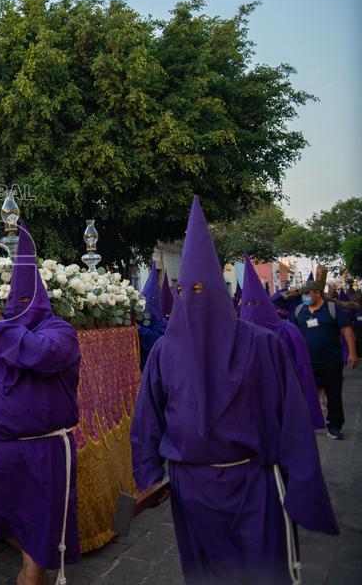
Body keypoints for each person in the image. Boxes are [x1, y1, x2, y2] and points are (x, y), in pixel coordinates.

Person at [131, 197, 339, 583]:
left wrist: (303, 484)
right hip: (189, 489)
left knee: (262, 573)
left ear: (219, 292)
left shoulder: (263, 345)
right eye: (184, 291)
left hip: (251, 486)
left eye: (202, 288)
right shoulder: (165, 350)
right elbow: (148, 417)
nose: (194, 297)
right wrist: (147, 474)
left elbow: (291, 417)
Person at [0, 223, 81, 585]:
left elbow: (42, 354)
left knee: (39, 526)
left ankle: (31, 575)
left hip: (43, 452)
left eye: (25, 302)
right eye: (13, 303)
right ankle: (28, 568)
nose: (16, 309)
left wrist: (0, 331)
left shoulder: (60, 332)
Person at [239, 253, 325, 430]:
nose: (252, 311)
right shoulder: (236, 334)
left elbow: (302, 369)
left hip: (284, 400)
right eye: (247, 304)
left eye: (256, 303)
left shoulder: (288, 330)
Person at [292, 279, 359, 440]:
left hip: (331, 361)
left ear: (317, 293)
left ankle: (334, 426)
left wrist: (352, 353)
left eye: (307, 293)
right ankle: (307, 424)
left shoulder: (332, 309)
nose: (304, 296)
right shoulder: (299, 311)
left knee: (333, 395)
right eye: (303, 293)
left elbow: (347, 331)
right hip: (307, 362)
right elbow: (293, 334)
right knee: (305, 394)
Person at [137, 261, 167, 369]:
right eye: (145, 298)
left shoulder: (163, 323)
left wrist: (140, 330)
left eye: (152, 299)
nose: (148, 302)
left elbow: (157, 341)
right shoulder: (139, 318)